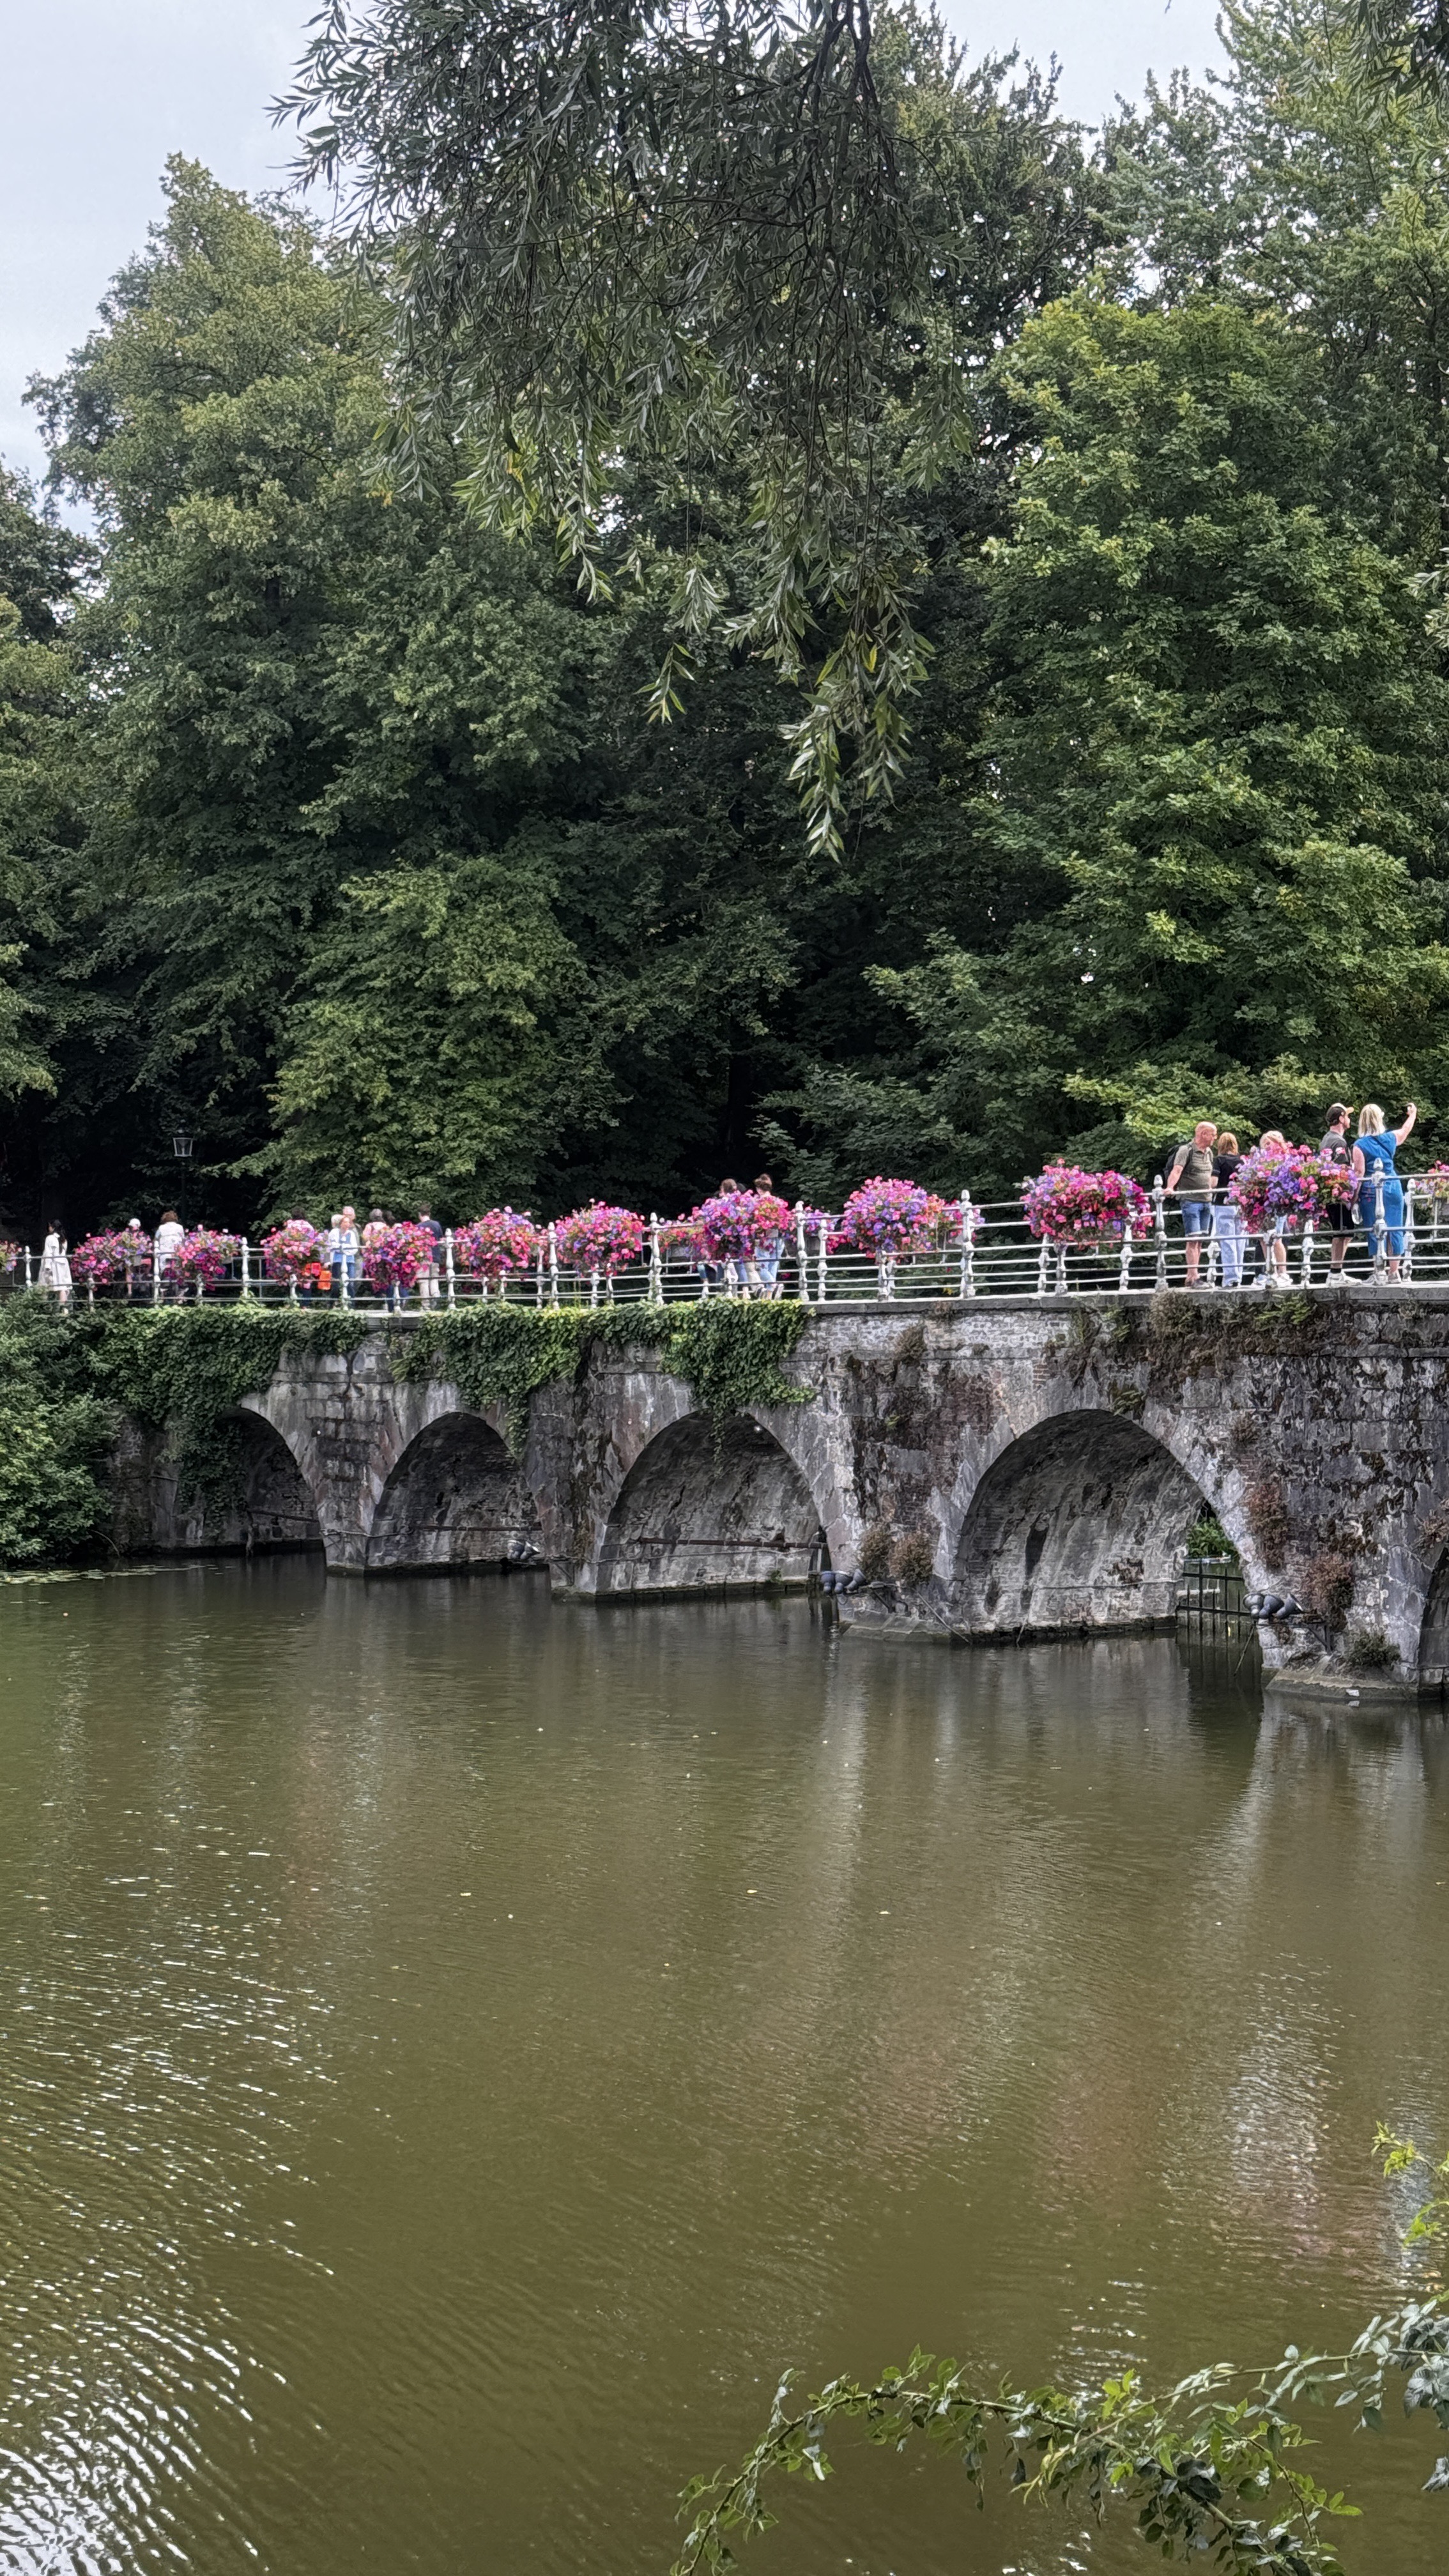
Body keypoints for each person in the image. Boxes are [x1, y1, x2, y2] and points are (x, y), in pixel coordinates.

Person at [1353, 1101, 1416, 1282]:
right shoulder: (1390, 1138)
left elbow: (1359, 1173)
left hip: (1372, 1190)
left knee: (1375, 1228)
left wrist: (1354, 1198)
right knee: (1395, 1226)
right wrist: (1412, 1114)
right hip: (1393, 1185)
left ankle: (1379, 1269)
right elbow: (1405, 1130)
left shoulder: (1360, 1145)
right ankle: (1394, 1272)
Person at [1167, 1121, 1218, 1285]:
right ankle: (1194, 1276)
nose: (1215, 1138)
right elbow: (1177, 1170)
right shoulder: (1186, 1150)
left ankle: (1191, 1276)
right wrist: (1170, 1187)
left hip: (1206, 1200)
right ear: (1204, 1134)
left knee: (1200, 1239)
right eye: (1213, 1134)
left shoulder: (1209, 1152)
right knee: (1192, 1238)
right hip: (1191, 1201)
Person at [1318, 1104, 1356, 1281]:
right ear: (1341, 1119)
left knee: (1342, 1232)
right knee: (1343, 1232)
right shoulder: (1339, 1142)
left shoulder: (1326, 1139)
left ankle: (1336, 1271)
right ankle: (1335, 1272)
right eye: (1347, 1116)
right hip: (1339, 1194)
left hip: (1329, 1193)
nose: (1349, 1120)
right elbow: (1343, 1171)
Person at [1254, 1131, 1292, 1285]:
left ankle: (1282, 1272)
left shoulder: (1283, 1158)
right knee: (1264, 1239)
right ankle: (1271, 1271)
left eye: (1271, 1143)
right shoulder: (1259, 1160)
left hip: (1277, 1204)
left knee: (1277, 1239)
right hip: (1262, 1203)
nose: (1268, 1146)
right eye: (1266, 1144)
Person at [1211, 1133, 1246, 1288]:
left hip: (1223, 1203)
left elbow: (1213, 1183)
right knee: (1240, 1241)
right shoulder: (1242, 1161)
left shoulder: (1218, 1161)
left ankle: (1230, 1278)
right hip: (1240, 1204)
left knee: (1227, 1241)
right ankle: (1239, 1276)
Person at [750, 1171, 785, 1299]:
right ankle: (770, 1298)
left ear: (759, 1189)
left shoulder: (757, 1203)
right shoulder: (777, 1201)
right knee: (772, 1267)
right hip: (777, 1237)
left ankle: (774, 1286)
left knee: (760, 1267)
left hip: (763, 1238)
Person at [415, 1203, 443, 1303]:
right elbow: (440, 1238)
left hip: (424, 1257)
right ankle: (436, 1300)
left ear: (420, 1214)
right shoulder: (436, 1225)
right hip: (435, 1256)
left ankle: (426, 1304)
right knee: (434, 1278)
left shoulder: (418, 1227)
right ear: (429, 1213)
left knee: (423, 1280)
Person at [155, 1207, 185, 1300]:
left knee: (163, 1270)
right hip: (177, 1253)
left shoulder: (161, 1228)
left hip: (164, 1253)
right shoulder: (180, 1227)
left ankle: (162, 1292)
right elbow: (183, 1240)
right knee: (178, 1270)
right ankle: (180, 1290)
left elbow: (156, 1239)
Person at [38, 1224, 72, 1305]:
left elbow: (48, 1252)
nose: (48, 1228)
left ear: (53, 1227)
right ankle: (64, 1309)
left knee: (45, 1286)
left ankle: (44, 1308)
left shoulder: (50, 1238)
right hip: (63, 1265)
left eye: (50, 1226)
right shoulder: (64, 1239)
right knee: (62, 1287)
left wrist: (47, 1266)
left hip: (53, 1264)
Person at [120, 1218, 149, 1299]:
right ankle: (130, 1291)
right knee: (129, 1267)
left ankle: (131, 1291)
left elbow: (146, 1246)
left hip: (136, 1257)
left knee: (129, 1268)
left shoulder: (140, 1236)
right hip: (132, 1258)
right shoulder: (128, 1235)